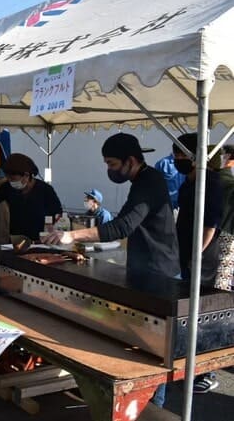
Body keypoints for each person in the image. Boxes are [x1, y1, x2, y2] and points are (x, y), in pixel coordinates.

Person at [43, 133, 180, 278]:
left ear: (131, 161)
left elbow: (122, 226)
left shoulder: (149, 182)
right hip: (145, 267)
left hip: (159, 271)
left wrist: (72, 235)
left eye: (112, 164)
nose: (109, 169)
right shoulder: (142, 180)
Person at [174, 133, 224, 394]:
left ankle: (207, 371)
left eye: (182, 154)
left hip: (203, 260)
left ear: (196, 156)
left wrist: (197, 253)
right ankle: (190, 366)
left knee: (203, 315)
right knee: (188, 313)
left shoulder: (211, 182)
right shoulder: (188, 182)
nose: (177, 159)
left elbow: (210, 225)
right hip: (186, 255)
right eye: (176, 153)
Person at [0, 153, 62, 241]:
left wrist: (52, 229)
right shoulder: (7, 187)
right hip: (15, 239)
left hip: (40, 240)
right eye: (7, 177)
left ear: (26, 175)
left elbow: (58, 213)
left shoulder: (45, 190)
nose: (10, 181)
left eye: (12, 178)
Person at [218, 145, 234, 290]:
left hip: (223, 230)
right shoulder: (225, 178)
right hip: (226, 230)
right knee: (223, 273)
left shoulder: (222, 177)